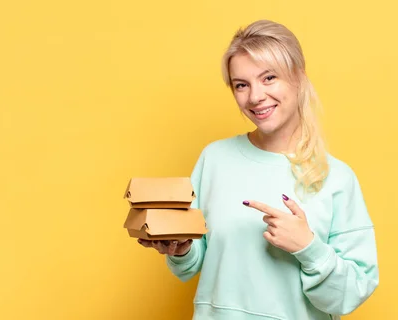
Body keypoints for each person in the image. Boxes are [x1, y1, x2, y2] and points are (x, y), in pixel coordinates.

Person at [137, 19, 379, 320]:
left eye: (269, 78)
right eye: (241, 85)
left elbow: (351, 293)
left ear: (298, 77)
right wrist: (181, 247)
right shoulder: (214, 159)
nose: (255, 97)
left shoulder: (338, 178)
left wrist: (309, 247)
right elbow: (195, 261)